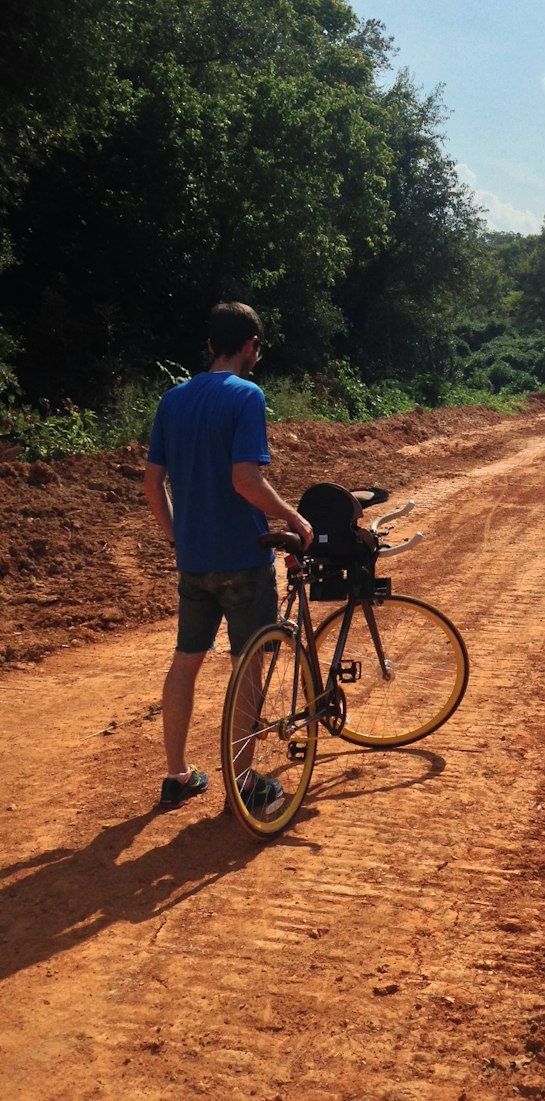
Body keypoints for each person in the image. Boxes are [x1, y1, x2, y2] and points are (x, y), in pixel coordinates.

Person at [144, 302, 313, 811]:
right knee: (248, 665)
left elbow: (153, 485)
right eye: (257, 347)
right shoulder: (247, 395)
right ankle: (244, 784)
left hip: (194, 562)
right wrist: (294, 520)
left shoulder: (173, 399)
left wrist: (178, 538)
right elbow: (246, 480)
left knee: (186, 660)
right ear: (248, 345)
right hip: (242, 555)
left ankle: (178, 775)